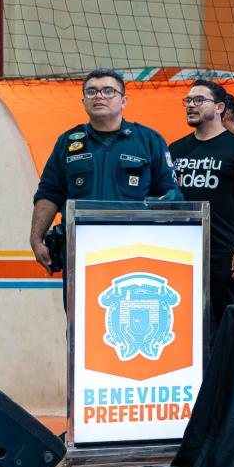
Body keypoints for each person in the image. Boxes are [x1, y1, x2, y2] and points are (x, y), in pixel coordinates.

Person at [31, 69, 183, 302]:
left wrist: (150, 211)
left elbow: (172, 195)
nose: (99, 96)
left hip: (137, 251)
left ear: (124, 101)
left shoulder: (149, 140)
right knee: (79, 319)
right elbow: (49, 193)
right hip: (80, 250)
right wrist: (36, 238)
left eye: (108, 91)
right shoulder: (67, 142)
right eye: (91, 91)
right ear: (83, 101)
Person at [169, 80, 234, 335]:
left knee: (227, 325)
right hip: (182, 251)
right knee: (184, 322)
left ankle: (229, 364)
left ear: (220, 107)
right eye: (188, 100)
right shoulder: (175, 149)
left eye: (199, 100)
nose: (191, 105)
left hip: (224, 253)